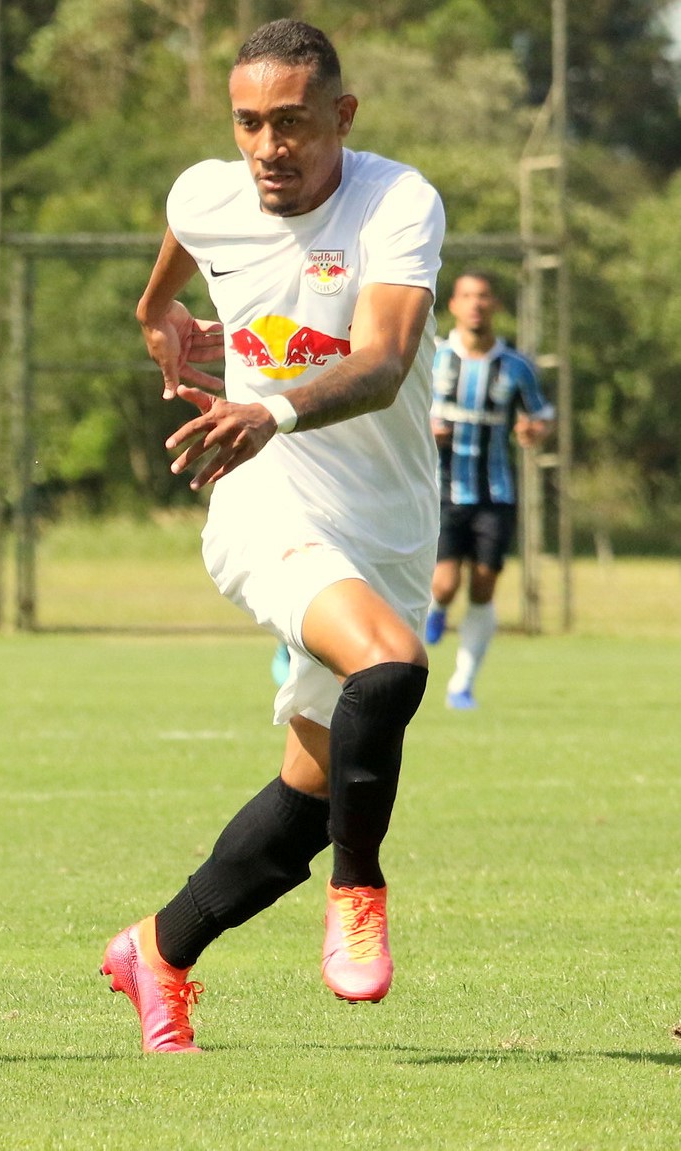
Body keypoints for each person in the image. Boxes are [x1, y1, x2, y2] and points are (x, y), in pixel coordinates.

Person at [106, 19, 445, 1053]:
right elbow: (168, 269)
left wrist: (273, 403)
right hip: (263, 506)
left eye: (292, 123)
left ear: (339, 117)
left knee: (311, 791)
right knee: (388, 667)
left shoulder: (395, 202)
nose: (268, 147)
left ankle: (156, 949)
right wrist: (160, 318)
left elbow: (384, 361)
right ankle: (359, 891)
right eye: (249, 123)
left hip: (384, 525)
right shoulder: (205, 193)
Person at [423, 270, 554, 710]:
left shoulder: (515, 366)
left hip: (495, 494)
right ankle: (437, 610)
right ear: (453, 306)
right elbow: (401, 410)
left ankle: (462, 684)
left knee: (482, 588)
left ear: (494, 305)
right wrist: (425, 429)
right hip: (441, 491)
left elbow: (542, 415)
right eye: (467, 296)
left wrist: (536, 431)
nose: (476, 304)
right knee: (442, 585)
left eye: (484, 297)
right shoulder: (434, 358)